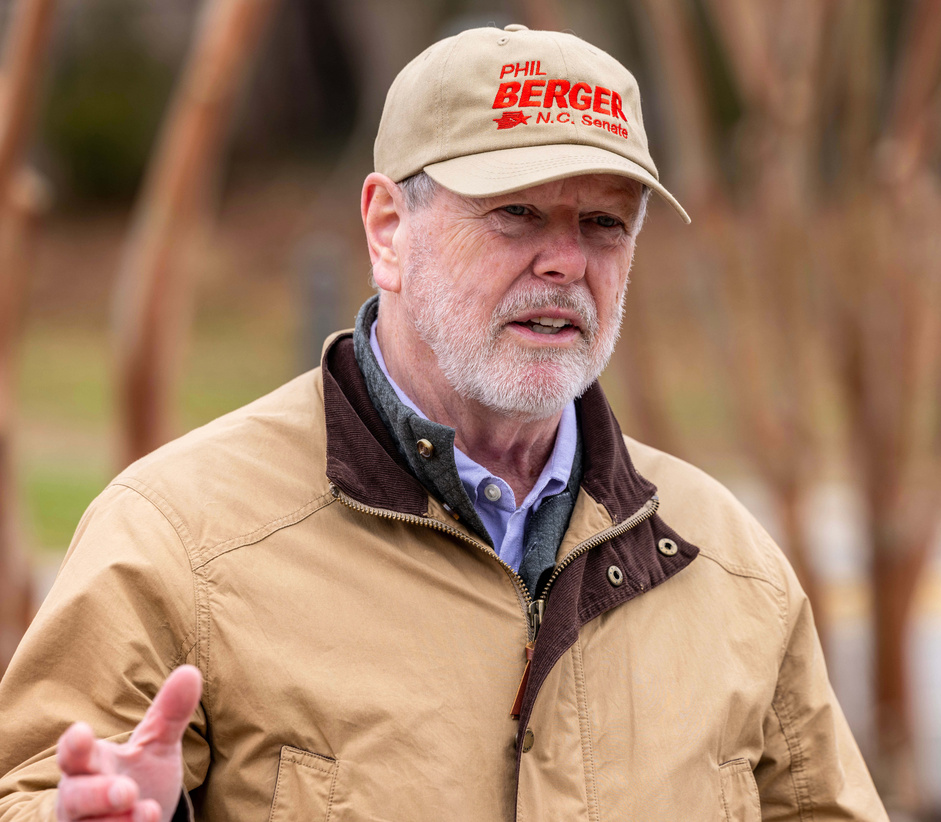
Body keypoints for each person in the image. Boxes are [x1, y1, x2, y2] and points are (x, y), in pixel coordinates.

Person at [0, 23, 888, 822]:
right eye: (517, 213)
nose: (567, 261)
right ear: (388, 228)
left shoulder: (730, 566)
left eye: (605, 224)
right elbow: (39, 790)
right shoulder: (178, 540)